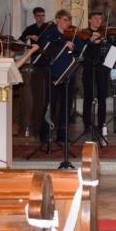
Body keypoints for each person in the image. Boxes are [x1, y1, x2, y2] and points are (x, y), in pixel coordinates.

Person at [37, 9, 86, 143]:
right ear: (57, 19)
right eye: (65, 20)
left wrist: (74, 46)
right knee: (50, 105)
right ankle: (45, 133)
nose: (67, 23)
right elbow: (46, 48)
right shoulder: (50, 34)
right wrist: (64, 44)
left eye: (69, 20)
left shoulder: (72, 34)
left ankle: (62, 134)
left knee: (66, 107)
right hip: (54, 74)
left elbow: (81, 49)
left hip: (69, 75)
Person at [81, 11, 116, 133]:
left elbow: (115, 49)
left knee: (102, 98)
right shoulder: (84, 34)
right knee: (88, 97)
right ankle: (87, 125)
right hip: (89, 68)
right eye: (95, 18)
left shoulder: (105, 34)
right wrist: (91, 41)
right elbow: (82, 50)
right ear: (89, 20)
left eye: (100, 19)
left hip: (103, 69)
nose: (98, 21)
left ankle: (101, 124)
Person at [19, 7, 49, 137]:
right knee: (36, 89)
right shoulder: (30, 28)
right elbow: (20, 40)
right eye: (38, 16)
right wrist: (29, 36)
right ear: (34, 16)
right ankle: (35, 123)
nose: (41, 18)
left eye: (43, 15)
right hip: (36, 60)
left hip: (47, 59)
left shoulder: (48, 27)